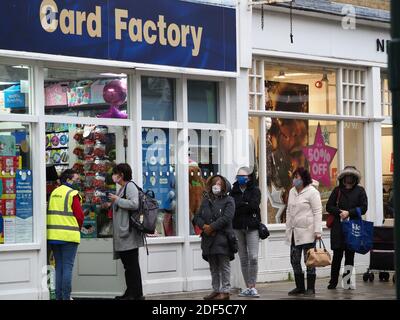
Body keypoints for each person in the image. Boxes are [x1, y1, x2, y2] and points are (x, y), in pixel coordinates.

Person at [193, 175, 235, 300]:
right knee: (213, 266)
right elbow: (197, 217)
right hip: (208, 238)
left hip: (223, 238)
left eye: (219, 183)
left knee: (224, 265)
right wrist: (204, 227)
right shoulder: (206, 200)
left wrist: (212, 227)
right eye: (214, 183)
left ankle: (225, 291)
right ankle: (216, 290)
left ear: (224, 186)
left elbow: (227, 218)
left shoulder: (229, 200)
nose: (216, 185)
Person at [326, 166, 368, 290]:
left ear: (355, 178)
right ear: (343, 177)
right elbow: (329, 206)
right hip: (338, 228)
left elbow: (364, 208)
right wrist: (340, 212)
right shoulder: (337, 190)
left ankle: (347, 281)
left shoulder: (360, 191)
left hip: (353, 227)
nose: (349, 178)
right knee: (337, 256)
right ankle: (333, 282)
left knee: (350, 256)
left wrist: (349, 212)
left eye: (351, 176)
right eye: (347, 176)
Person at [107, 163, 145, 300]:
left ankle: (137, 294)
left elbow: (134, 204)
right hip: (123, 233)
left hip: (128, 233)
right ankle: (130, 293)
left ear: (121, 175)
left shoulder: (130, 186)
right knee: (128, 266)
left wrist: (117, 200)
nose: (113, 176)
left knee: (132, 265)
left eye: (115, 173)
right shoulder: (122, 188)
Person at [47, 169, 84, 300]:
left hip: (53, 236)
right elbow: (79, 216)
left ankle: (58, 297)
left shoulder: (54, 192)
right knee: (67, 267)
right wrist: (77, 228)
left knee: (59, 267)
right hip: (69, 236)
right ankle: (66, 296)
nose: (77, 182)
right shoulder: (72, 193)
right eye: (76, 180)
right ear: (68, 180)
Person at [285, 168, 322, 296]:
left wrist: (318, 231)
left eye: (298, 177)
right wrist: (288, 227)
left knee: (309, 261)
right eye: (294, 176)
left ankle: (310, 288)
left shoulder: (312, 192)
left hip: (308, 231)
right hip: (294, 232)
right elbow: (289, 211)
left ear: (304, 178)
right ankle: (299, 287)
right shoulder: (292, 191)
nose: (295, 179)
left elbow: (317, 212)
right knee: (294, 260)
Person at [231, 166, 261, 298]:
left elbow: (254, 206)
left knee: (253, 257)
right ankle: (248, 286)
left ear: (248, 177)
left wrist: (242, 205)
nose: (240, 179)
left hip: (252, 227)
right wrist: (245, 204)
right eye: (238, 176)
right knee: (243, 258)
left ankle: (252, 286)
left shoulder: (255, 190)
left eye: (243, 176)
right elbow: (233, 208)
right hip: (237, 227)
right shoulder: (234, 190)